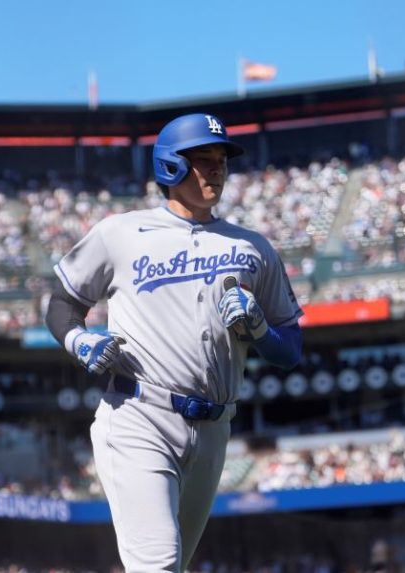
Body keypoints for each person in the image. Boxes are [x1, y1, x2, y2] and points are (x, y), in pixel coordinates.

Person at [44, 112, 303, 572]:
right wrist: (78, 340)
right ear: (170, 167)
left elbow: (291, 350)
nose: (217, 170)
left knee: (174, 566)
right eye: (204, 159)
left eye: (221, 159)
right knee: (158, 565)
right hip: (140, 415)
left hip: (214, 427)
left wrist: (260, 327)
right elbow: (62, 303)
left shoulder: (253, 247)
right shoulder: (120, 233)